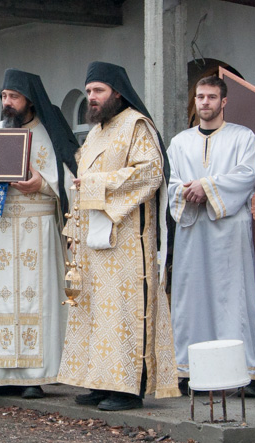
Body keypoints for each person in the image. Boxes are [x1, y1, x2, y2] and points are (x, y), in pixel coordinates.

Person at [57, 61, 179, 410]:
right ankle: (100, 381)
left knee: (124, 312)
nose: (92, 97)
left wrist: (95, 184)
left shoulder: (137, 125)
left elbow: (150, 173)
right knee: (96, 312)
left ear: (118, 93)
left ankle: (127, 388)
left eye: (98, 90)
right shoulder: (95, 133)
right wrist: (73, 231)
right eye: (89, 91)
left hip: (126, 241)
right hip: (93, 242)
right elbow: (80, 186)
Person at [0, 69, 76, 399]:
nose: (7, 102)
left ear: (30, 99)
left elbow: (71, 180)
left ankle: (33, 376)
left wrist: (43, 183)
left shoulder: (50, 133)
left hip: (38, 229)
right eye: (3, 96)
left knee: (36, 298)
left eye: (13, 96)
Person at [167, 76, 255, 396]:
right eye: (200, 97)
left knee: (233, 297)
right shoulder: (180, 142)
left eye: (211, 97)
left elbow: (246, 176)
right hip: (192, 230)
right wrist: (188, 190)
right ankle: (190, 370)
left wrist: (206, 186)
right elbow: (171, 182)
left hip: (229, 233)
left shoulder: (243, 137)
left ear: (224, 101)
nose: (205, 102)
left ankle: (242, 374)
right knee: (191, 299)